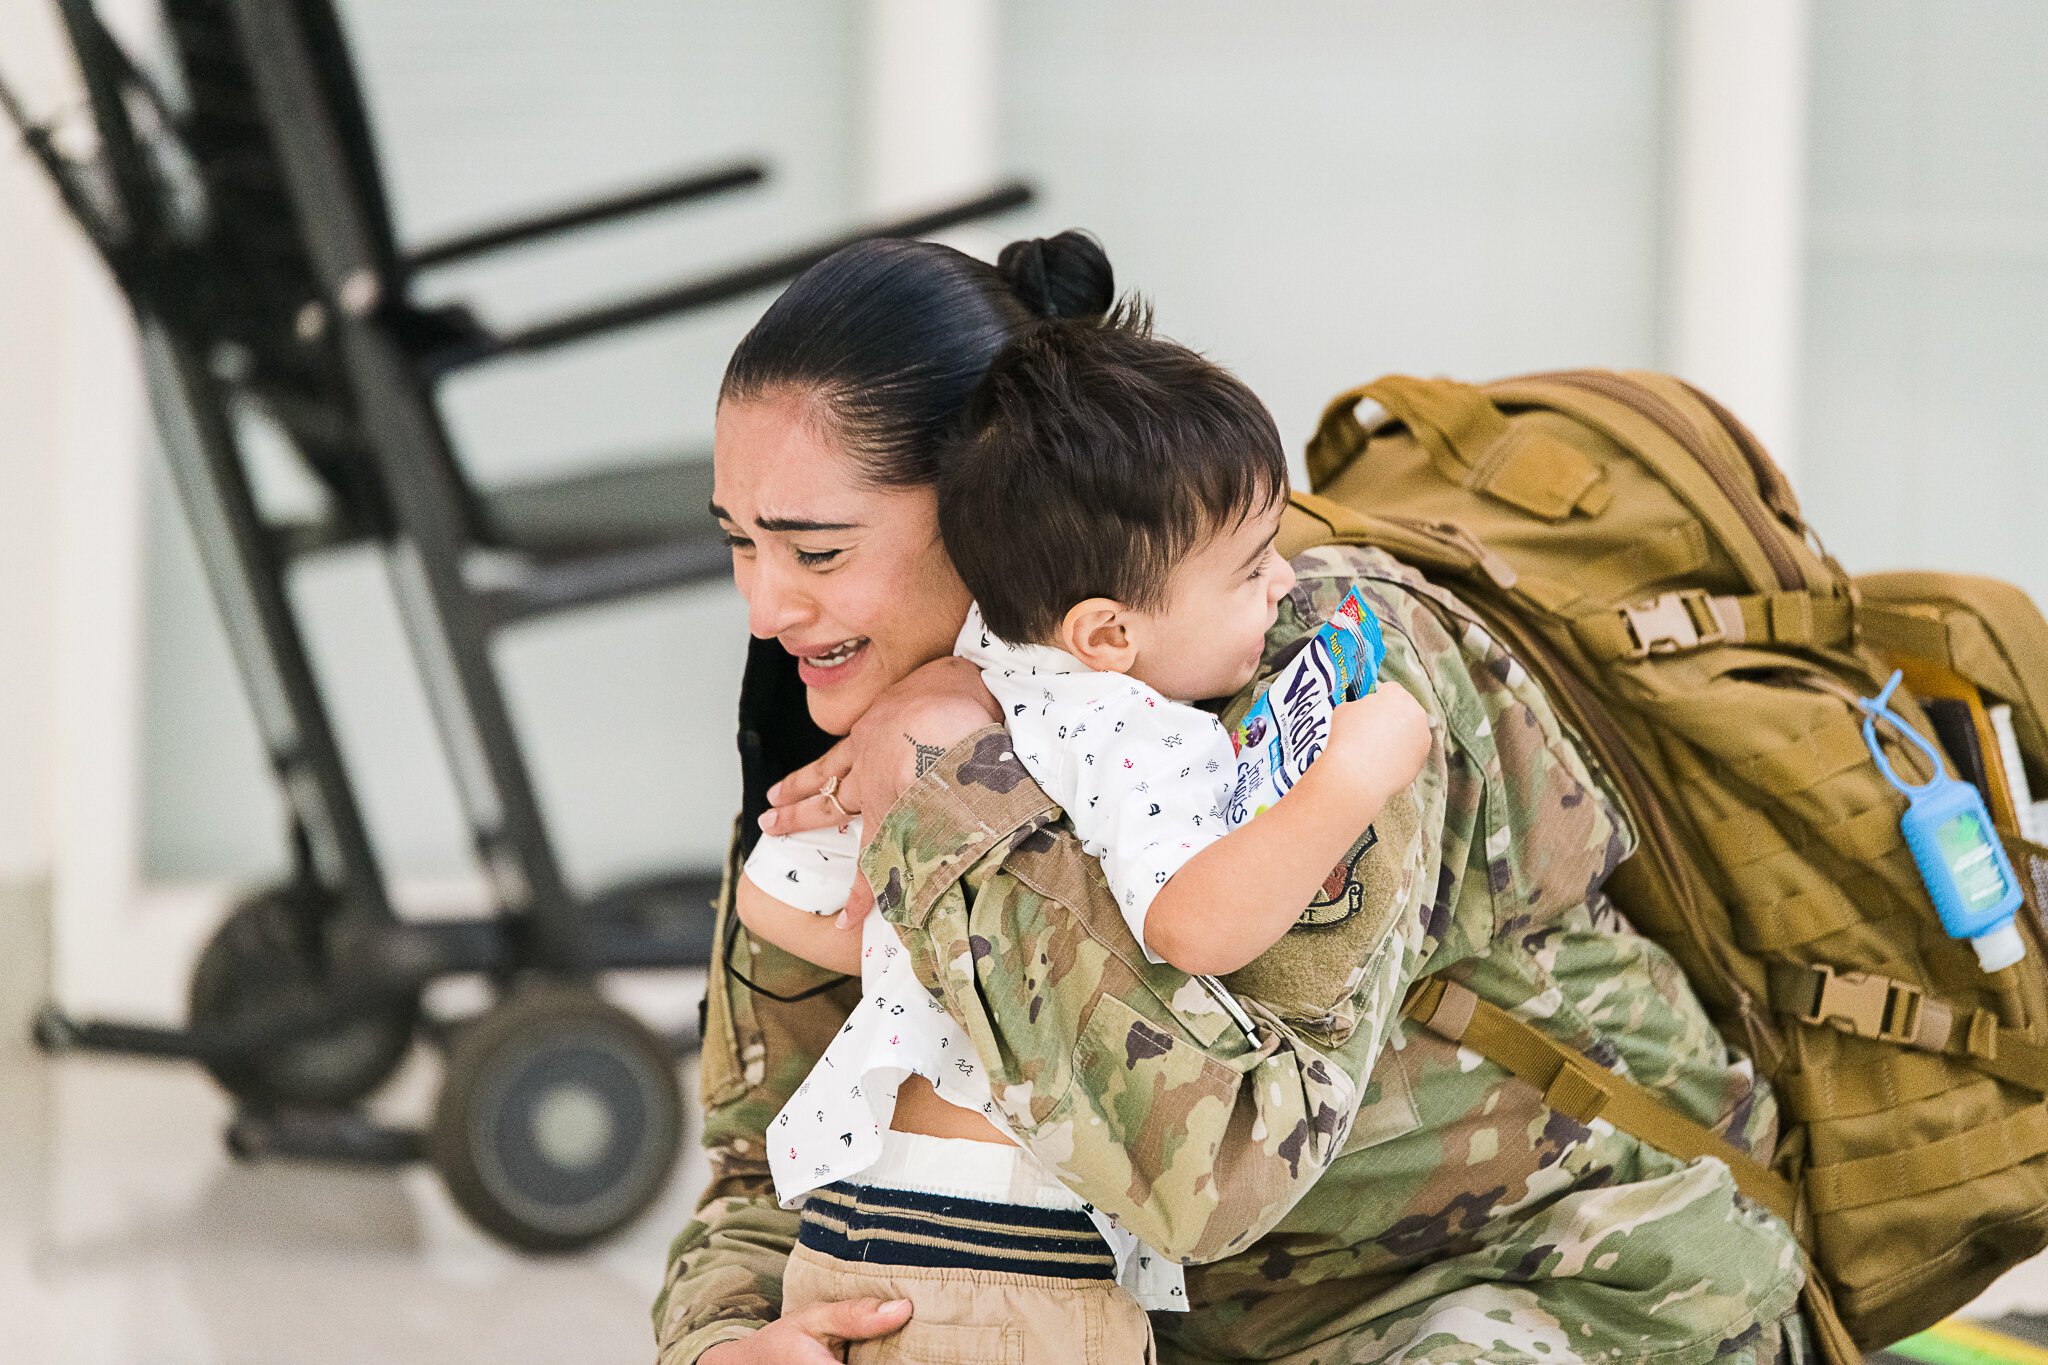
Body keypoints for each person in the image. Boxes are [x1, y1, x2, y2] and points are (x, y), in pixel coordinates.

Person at [654, 231, 1810, 1364]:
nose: (763, 607)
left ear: (990, 505)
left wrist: (961, 779)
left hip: (1565, 1282)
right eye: (738, 545)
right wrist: (729, 1341)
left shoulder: (1323, 661)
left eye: (814, 553)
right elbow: (767, 1158)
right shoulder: (858, 721)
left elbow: (1216, 1169)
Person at [730, 308, 1435, 1362]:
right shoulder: (1131, 728)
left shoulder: (962, 705)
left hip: (846, 1234)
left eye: (815, 552)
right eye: (1252, 568)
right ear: (1104, 630)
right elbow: (1198, 928)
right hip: (1006, 1255)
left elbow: (774, 900)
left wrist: (944, 942)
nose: (759, 606)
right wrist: (1349, 774)